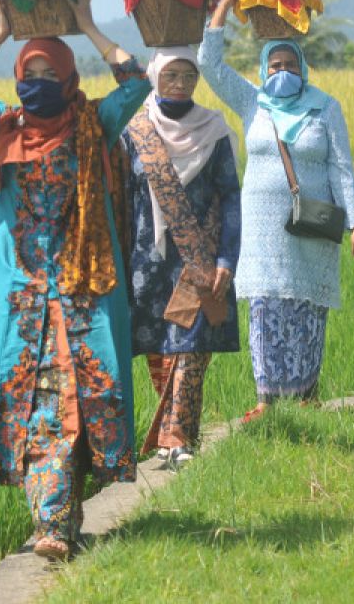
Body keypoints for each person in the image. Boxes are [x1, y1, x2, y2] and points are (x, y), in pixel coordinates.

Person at [0, 0, 150, 561]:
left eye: (46, 71)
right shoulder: (4, 129)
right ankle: (54, 526)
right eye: (27, 71)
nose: (37, 81)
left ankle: (62, 519)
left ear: (66, 77)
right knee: (35, 406)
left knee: (83, 400)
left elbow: (136, 84)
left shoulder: (93, 124)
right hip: (20, 296)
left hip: (84, 290)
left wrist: (88, 26)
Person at [197, 0, 354, 421]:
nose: (281, 73)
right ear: (263, 70)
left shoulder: (325, 107)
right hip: (261, 232)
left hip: (313, 224)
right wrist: (224, 5)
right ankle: (266, 399)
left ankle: (306, 393)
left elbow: (341, 167)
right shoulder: (252, 102)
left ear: (303, 68)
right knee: (265, 307)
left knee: (308, 306)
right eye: (274, 67)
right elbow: (209, 65)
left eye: (289, 66)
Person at [122, 46, 241, 470]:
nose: (179, 83)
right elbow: (121, 196)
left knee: (190, 348)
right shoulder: (135, 130)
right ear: (155, 75)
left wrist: (227, 257)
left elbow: (230, 196)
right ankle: (176, 430)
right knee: (160, 347)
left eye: (188, 75)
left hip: (199, 256)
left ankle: (176, 437)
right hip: (148, 260)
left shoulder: (214, 128)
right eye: (171, 74)